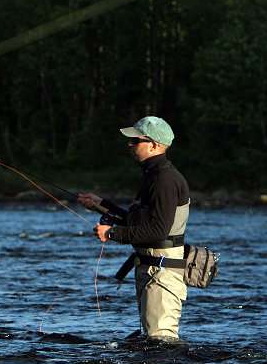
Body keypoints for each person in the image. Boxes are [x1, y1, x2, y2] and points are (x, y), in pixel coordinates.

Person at [78, 116, 190, 340]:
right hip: (152, 268)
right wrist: (102, 205)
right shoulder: (153, 175)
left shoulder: (164, 180)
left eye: (135, 140)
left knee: (160, 344)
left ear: (154, 145)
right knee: (151, 341)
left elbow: (158, 230)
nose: (129, 144)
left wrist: (111, 234)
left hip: (162, 271)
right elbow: (135, 220)